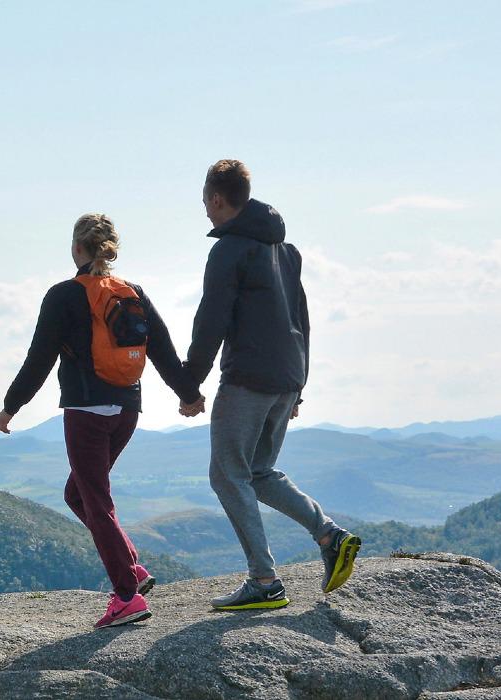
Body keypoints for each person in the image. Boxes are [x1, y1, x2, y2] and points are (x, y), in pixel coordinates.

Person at [0, 213, 204, 629]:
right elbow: (163, 350)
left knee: (96, 499)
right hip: (127, 410)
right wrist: (189, 395)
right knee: (78, 493)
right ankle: (134, 569)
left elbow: (39, 359)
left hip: (86, 412)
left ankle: (127, 595)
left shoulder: (62, 296)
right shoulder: (133, 293)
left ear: (77, 248)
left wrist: (10, 406)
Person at [180, 159, 362, 612]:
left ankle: (263, 580)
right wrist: (298, 386)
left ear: (218, 199)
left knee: (228, 475)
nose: (204, 210)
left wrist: (190, 384)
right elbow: (301, 319)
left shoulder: (229, 249)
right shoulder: (286, 251)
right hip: (286, 375)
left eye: (205, 201)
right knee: (259, 473)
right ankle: (329, 535)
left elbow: (211, 319)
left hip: (248, 378)